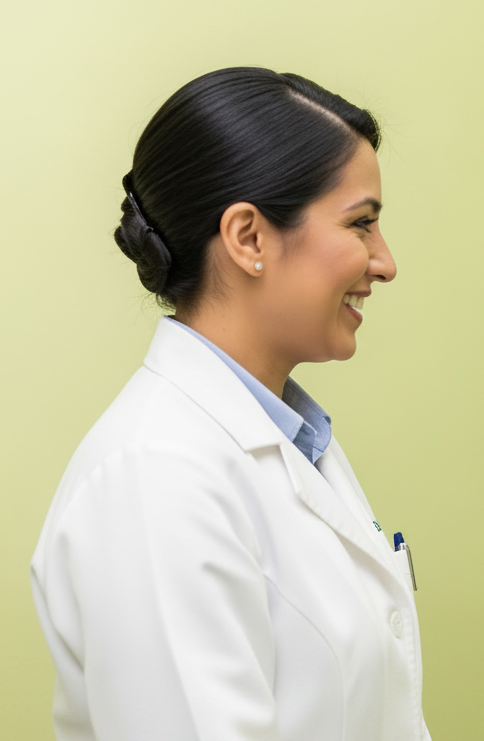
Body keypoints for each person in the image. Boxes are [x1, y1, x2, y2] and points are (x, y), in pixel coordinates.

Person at [30, 68, 429, 741]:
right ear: (248, 238)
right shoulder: (157, 476)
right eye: (361, 224)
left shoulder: (290, 443)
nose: (385, 263)